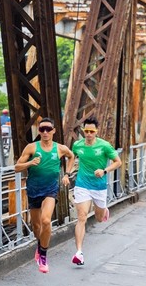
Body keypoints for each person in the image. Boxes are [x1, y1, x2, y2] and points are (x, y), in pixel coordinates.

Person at [14, 118, 74, 273]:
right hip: (34, 190)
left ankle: (43, 256)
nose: (45, 132)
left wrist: (67, 174)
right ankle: (40, 245)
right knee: (36, 226)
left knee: (46, 220)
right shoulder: (32, 147)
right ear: (39, 132)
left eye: (48, 129)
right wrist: (30, 163)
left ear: (54, 130)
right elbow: (17, 167)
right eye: (42, 130)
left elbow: (71, 156)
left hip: (50, 189)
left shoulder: (60, 148)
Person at [69, 116, 122, 265]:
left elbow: (118, 162)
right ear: (83, 131)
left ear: (96, 131)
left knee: (99, 219)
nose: (89, 134)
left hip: (99, 186)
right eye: (86, 131)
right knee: (82, 217)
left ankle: (104, 209)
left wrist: (104, 171)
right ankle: (79, 253)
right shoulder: (77, 145)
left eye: (92, 131)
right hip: (82, 185)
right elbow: (72, 158)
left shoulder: (104, 146)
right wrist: (68, 173)